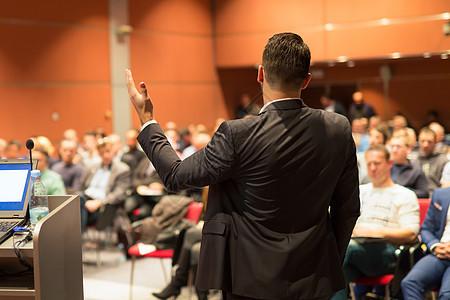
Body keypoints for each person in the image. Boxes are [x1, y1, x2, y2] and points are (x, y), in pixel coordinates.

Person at [126, 32, 360, 300]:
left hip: (249, 279)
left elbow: (175, 174)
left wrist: (147, 119)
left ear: (260, 74)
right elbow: (348, 208)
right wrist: (329, 259)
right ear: (306, 80)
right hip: (315, 276)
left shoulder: (237, 134)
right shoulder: (338, 128)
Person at [331, 144, 420, 300]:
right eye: (369, 164)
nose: (372, 168)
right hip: (355, 251)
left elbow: (411, 234)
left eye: (377, 163)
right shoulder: (360, 191)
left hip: (388, 253)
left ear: (389, 163)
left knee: (342, 253)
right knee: (332, 275)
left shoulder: (405, 194)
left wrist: (375, 232)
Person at [401, 187, 450, 299]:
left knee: (446, 295)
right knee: (409, 283)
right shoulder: (440, 194)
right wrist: (435, 245)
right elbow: (426, 229)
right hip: (439, 251)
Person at [78, 138, 131, 230]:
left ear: (113, 151)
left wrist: (99, 202)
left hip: (102, 207)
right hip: (85, 201)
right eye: (102, 153)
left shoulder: (122, 169)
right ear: (98, 153)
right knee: (76, 198)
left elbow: (119, 193)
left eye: (108, 151)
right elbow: (81, 186)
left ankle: (78, 239)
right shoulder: (91, 167)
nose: (105, 155)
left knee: (78, 209)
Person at [410, 127, 448, 194]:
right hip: (416, 195)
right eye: (423, 141)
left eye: (429, 142)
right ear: (418, 140)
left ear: (435, 142)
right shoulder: (412, 159)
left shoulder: (443, 161)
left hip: (435, 196)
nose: (425, 145)